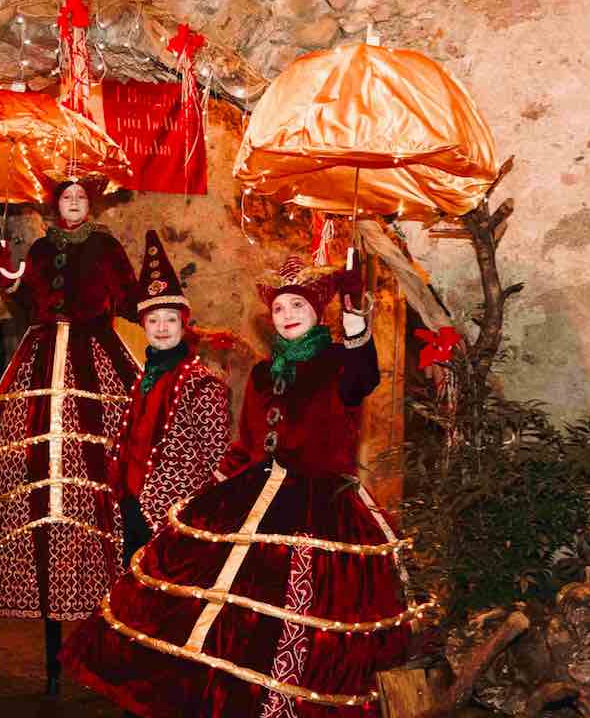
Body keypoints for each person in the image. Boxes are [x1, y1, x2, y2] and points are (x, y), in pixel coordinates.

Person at [60, 256, 426, 717]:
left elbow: (363, 375)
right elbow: (248, 445)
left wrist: (355, 317)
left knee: (304, 615)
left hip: (321, 504)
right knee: (228, 613)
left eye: (297, 305)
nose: (287, 314)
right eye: (279, 308)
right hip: (256, 493)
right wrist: (208, 489)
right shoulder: (261, 374)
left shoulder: (338, 365)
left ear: (317, 313)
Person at [0, 179, 138, 694]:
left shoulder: (107, 246)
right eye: (65, 196)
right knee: (35, 475)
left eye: (80, 195)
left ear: (90, 202)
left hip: (96, 359)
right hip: (38, 361)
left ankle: (112, 610)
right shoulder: (41, 247)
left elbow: (135, 298)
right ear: (55, 204)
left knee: (102, 475)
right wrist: (7, 272)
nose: (73, 202)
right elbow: (22, 291)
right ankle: (50, 629)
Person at [106, 230, 229, 565]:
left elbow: (217, 461)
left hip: (174, 516)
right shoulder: (142, 379)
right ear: (144, 325)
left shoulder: (202, 384)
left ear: (183, 324)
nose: (162, 327)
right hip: (131, 504)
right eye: (154, 320)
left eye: (170, 319)